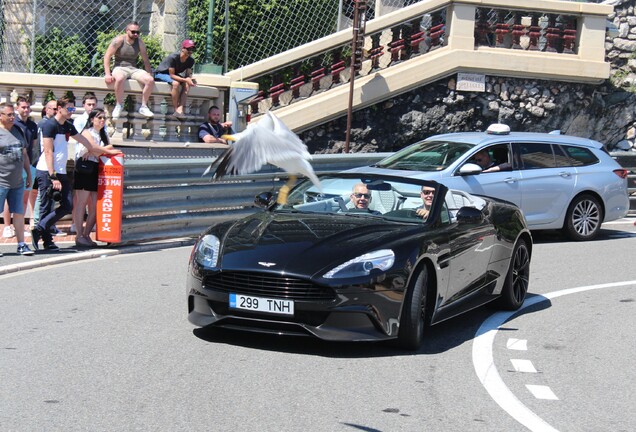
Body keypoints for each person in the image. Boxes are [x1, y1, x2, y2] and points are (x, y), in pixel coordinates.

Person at [32, 97, 120, 252]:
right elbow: (47, 151)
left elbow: (88, 144)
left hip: (61, 171)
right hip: (47, 171)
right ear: (60, 108)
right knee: (46, 206)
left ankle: (40, 229)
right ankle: (46, 240)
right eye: (69, 109)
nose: (71, 112)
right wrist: (52, 176)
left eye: (73, 109)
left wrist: (107, 150)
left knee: (67, 205)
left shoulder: (68, 126)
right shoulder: (49, 125)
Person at [73, 108, 113, 247]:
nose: (102, 120)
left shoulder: (104, 134)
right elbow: (92, 146)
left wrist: (95, 150)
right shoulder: (86, 132)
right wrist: (99, 150)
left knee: (96, 205)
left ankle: (86, 234)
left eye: (103, 118)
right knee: (81, 203)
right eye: (98, 117)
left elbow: (101, 149)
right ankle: (79, 235)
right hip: (85, 167)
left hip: (97, 168)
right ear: (92, 119)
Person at [0, 102, 34, 256]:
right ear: (0, 116)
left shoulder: (18, 130)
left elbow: (24, 153)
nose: (12, 117)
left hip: (18, 181)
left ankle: (21, 245)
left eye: (13, 114)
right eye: (9, 114)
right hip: (1, 181)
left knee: (19, 212)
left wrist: (28, 173)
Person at [103, 21, 155, 119]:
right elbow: (107, 56)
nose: (136, 34)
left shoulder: (139, 42)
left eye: (138, 32)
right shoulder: (119, 40)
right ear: (127, 31)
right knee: (119, 78)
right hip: (119, 67)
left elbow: (145, 59)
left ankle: (143, 106)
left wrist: (149, 73)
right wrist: (107, 74)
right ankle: (119, 105)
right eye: (133, 32)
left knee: (150, 80)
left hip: (133, 68)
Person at [71, 92, 98, 234]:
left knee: (92, 200)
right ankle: (76, 226)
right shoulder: (80, 121)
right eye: (89, 104)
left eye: (94, 104)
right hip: (83, 162)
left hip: (95, 163)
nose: (91, 107)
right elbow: (82, 140)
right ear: (83, 105)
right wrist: (90, 148)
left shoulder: (99, 120)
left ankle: (87, 228)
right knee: (80, 198)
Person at [154, 40, 197, 117]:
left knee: (187, 85)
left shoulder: (191, 61)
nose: (190, 51)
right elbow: (172, 75)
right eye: (188, 49)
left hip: (173, 74)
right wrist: (185, 79)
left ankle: (181, 108)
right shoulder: (173, 57)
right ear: (183, 48)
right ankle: (175, 109)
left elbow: (188, 74)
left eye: (192, 49)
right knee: (175, 84)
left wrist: (190, 79)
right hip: (162, 73)